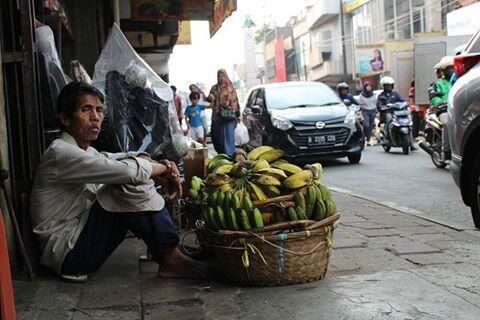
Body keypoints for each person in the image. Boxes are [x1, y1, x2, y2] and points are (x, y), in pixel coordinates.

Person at [30, 82, 207, 282]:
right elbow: (127, 171)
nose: (95, 117)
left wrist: (156, 165)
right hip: (69, 255)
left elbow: (118, 158)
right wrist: (163, 169)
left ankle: (162, 249)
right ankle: (170, 258)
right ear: (65, 118)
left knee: (135, 171)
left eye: (99, 110)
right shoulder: (60, 153)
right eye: (85, 110)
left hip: (79, 241)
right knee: (128, 183)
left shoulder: (85, 151)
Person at [376, 76, 417, 150]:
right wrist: (383, 107)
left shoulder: (395, 94)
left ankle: (411, 143)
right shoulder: (381, 96)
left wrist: (405, 103)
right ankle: (387, 138)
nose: (389, 87)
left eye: (390, 85)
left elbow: (401, 101)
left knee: (408, 123)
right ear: (384, 86)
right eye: (387, 85)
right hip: (387, 113)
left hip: (397, 113)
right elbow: (379, 105)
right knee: (389, 119)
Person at [207, 69, 240, 157]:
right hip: (217, 117)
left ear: (226, 76)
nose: (221, 78)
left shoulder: (231, 88)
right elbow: (209, 99)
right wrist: (210, 98)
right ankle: (221, 155)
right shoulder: (214, 88)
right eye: (219, 76)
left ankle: (229, 157)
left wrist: (238, 115)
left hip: (229, 117)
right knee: (216, 138)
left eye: (222, 76)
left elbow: (236, 101)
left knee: (229, 139)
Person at [430, 56, 454, 161]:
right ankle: (446, 151)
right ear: (444, 71)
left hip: (456, 110)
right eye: (450, 68)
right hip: (444, 110)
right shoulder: (438, 83)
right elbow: (433, 96)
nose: (452, 70)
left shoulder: (459, 81)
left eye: (453, 68)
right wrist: (440, 102)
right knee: (448, 123)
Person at [358, 81, 377, 146]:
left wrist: (376, 110)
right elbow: (360, 103)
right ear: (365, 87)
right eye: (367, 86)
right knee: (366, 125)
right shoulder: (361, 95)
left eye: (370, 86)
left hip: (373, 111)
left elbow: (375, 103)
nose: (368, 88)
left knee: (371, 126)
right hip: (365, 111)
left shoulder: (373, 95)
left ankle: (368, 140)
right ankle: (364, 135)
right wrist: (361, 107)